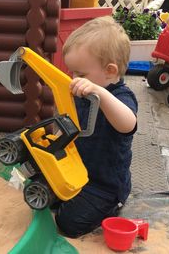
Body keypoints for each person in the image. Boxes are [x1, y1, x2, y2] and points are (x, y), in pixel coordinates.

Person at [54, 16, 138, 238]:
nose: (74, 79)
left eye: (80, 74)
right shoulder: (83, 92)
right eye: (72, 72)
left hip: (103, 185)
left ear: (110, 71)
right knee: (40, 194)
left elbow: (128, 124)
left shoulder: (121, 97)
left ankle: (113, 207)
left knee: (68, 223)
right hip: (74, 172)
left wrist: (100, 93)